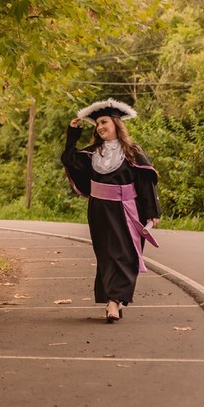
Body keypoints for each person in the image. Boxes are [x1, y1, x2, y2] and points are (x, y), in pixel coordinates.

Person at [62, 98, 161, 323]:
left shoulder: (132, 152)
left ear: (116, 123)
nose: (100, 127)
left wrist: (152, 212)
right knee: (106, 256)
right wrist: (72, 133)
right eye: (97, 124)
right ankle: (113, 299)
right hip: (99, 211)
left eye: (104, 122)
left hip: (127, 211)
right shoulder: (93, 153)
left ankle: (115, 301)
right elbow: (68, 159)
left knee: (125, 255)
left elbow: (145, 182)